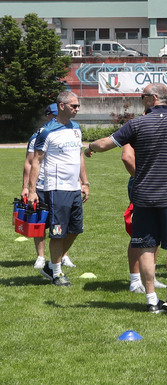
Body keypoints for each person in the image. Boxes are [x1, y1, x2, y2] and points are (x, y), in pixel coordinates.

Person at [85, 83, 167, 315]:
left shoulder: (136, 124)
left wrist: (89, 147)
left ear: (152, 99)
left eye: (142, 97)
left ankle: (152, 301)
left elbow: (105, 144)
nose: (141, 100)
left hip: (144, 197)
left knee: (146, 247)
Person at [28, 93, 89, 286]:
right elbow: (35, 161)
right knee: (57, 231)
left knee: (75, 228)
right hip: (55, 188)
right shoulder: (46, 131)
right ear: (61, 106)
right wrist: (31, 190)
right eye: (74, 106)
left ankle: (52, 265)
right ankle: (56, 273)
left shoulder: (76, 128)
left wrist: (85, 182)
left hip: (74, 188)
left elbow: (79, 156)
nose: (77, 109)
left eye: (78, 106)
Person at [122, 144, 167, 293]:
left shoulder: (160, 126)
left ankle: (150, 278)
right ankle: (135, 281)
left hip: (160, 184)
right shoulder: (137, 128)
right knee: (140, 232)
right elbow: (127, 157)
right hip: (143, 184)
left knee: (155, 231)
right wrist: (144, 178)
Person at [24, 103, 58, 270]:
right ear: (48, 116)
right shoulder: (38, 135)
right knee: (39, 222)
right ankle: (40, 256)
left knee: (60, 223)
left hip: (60, 186)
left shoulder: (68, 132)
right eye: (55, 115)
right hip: (42, 185)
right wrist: (27, 188)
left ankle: (62, 256)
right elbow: (30, 163)